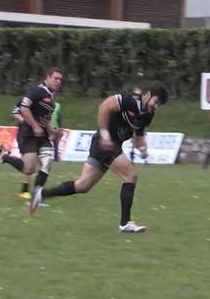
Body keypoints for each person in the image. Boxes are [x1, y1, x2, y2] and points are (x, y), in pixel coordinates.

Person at [28, 85, 169, 235]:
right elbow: (105, 106)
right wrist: (104, 133)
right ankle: (125, 223)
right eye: (156, 101)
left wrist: (143, 149)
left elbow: (139, 134)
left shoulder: (148, 114)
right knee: (130, 176)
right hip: (105, 144)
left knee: (83, 185)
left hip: (108, 146)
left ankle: (42, 195)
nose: (156, 106)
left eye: (159, 104)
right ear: (148, 95)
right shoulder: (129, 100)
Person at [0, 68, 63, 199]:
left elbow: (43, 120)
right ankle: (5, 157)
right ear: (47, 77)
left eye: (60, 79)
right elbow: (21, 108)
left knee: (47, 164)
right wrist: (33, 125)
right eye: (55, 78)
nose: (58, 82)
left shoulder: (51, 97)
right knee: (29, 169)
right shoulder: (37, 91)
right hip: (28, 134)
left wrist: (53, 131)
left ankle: (37, 196)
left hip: (43, 136)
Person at [0, 98, 35, 199]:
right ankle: (25, 190)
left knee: (29, 165)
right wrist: (27, 123)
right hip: (25, 135)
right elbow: (15, 112)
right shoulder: (28, 98)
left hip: (36, 136)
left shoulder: (46, 101)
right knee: (28, 165)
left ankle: (25, 190)